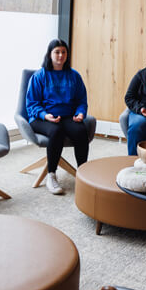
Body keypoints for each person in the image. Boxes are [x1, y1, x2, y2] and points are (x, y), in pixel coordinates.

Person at [25, 39, 90, 195]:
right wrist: (45, 115)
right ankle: (51, 175)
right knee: (57, 131)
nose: (61, 55)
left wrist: (81, 113)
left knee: (81, 131)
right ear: (49, 54)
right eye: (57, 52)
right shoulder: (39, 76)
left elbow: (81, 100)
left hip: (67, 116)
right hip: (41, 117)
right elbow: (32, 104)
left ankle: (83, 173)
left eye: (63, 52)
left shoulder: (74, 76)